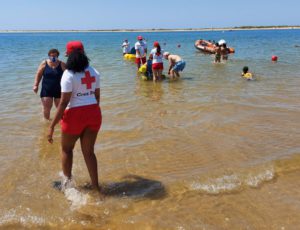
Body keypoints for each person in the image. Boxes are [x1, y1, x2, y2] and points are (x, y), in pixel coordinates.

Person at [47, 41, 102, 191]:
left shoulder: (68, 74)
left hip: (74, 115)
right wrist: (90, 112)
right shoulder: (94, 72)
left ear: (68, 55)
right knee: (89, 152)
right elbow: (97, 98)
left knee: (66, 150)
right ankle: (96, 187)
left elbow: (64, 102)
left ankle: (67, 185)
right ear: (84, 53)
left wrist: (51, 126)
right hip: (94, 113)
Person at [33, 49, 66, 120]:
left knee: (60, 109)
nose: (53, 57)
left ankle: (61, 124)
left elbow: (68, 76)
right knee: (46, 108)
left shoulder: (62, 64)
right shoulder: (44, 63)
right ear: (48, 56)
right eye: (51, 56)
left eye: (55, 56)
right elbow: (38, 74)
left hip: (59, 90)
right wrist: (36, 85)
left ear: (58, 56)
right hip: (47, 90)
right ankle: (46, 125)